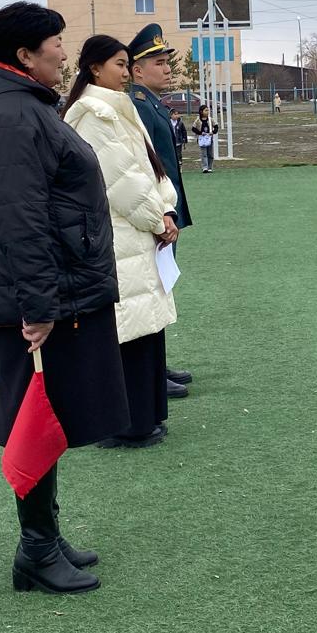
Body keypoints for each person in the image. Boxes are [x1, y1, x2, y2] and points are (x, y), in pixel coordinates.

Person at [0, 2, 129, 594]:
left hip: (53, 289)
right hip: (35, 300)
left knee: (49, 410)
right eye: (56, 42)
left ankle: (45, 536)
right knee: (34, 417)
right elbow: (19, 218)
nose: (65, 52)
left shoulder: (25, 107)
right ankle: (34, 550)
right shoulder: (12, 116)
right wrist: (38, 307)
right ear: (23, 55)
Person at [63, 35, 178, 451]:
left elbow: (150, 169)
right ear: (94, 68)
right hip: (120, 231)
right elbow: (118, 180)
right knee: (126, 328)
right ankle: (129, 423)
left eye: (128, 64)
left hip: (139, 228)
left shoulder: (118, 106)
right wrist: (156, 218)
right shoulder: (92, 113)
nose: (126, 72)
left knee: (144, 325)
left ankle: (145, 416)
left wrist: (166, 208)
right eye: (118, 64)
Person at [128, 23, 193, 398]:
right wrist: (162, 213)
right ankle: (151, 372)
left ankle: (157, 365)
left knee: (160, 289)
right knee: (151, 289)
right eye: (158, 63)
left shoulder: (152, 104)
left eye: (167, 62)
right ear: (137, 70)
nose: (167, 69)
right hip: (158, 213)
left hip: (167, 209)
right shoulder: (139, 107)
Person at [192, 105, 221, 173]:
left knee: (210, 154)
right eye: (206, 110)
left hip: (209, 138)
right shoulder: (198, 120)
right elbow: (193, 128)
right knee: (203, 154)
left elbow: (216, 126)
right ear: (201, 111)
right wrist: (200, 133)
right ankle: (205, 167)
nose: (208, 112)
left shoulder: (210, 119)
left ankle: (210, 167)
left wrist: (213, 132)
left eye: (208, 110)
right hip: (201, 139)